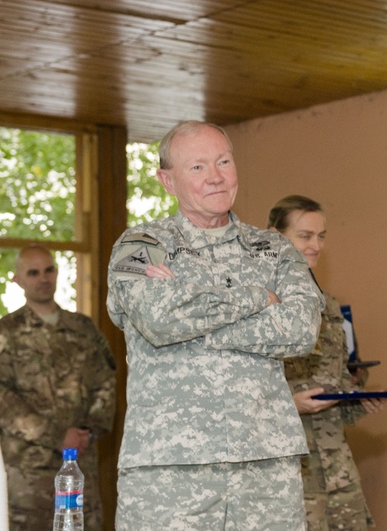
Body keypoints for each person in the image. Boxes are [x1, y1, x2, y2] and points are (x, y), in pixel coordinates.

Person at [107, 121, 324, 531]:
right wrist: (258, 298)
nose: (216, 177)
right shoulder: (140, 246)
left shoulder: (273, 248)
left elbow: (300, 329)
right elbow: (159, 320)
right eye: (198, 167)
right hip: (169, 470)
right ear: (167, 180)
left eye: (224, 161)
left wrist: (193, 315)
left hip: (266, 466)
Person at [268, 195, 383, 531]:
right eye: (305, 236)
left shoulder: (328, 306)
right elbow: (234, 398)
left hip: (338, 473)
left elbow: (335, 385)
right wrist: (291, 407)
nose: (316, 246)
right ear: (275, 236)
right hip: (288, 474)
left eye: (321, 236)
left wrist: (359, 399)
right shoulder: (258, 303)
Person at [0, 245, 116, 531]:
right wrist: (56, 436)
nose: (43, 278)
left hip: (80, 466)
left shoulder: (83, 328)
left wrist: (86, 432)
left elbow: (107, 380)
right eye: (34, 272)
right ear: (18, 280)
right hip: (30, 476)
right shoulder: (6, 332)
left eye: (49, 269)